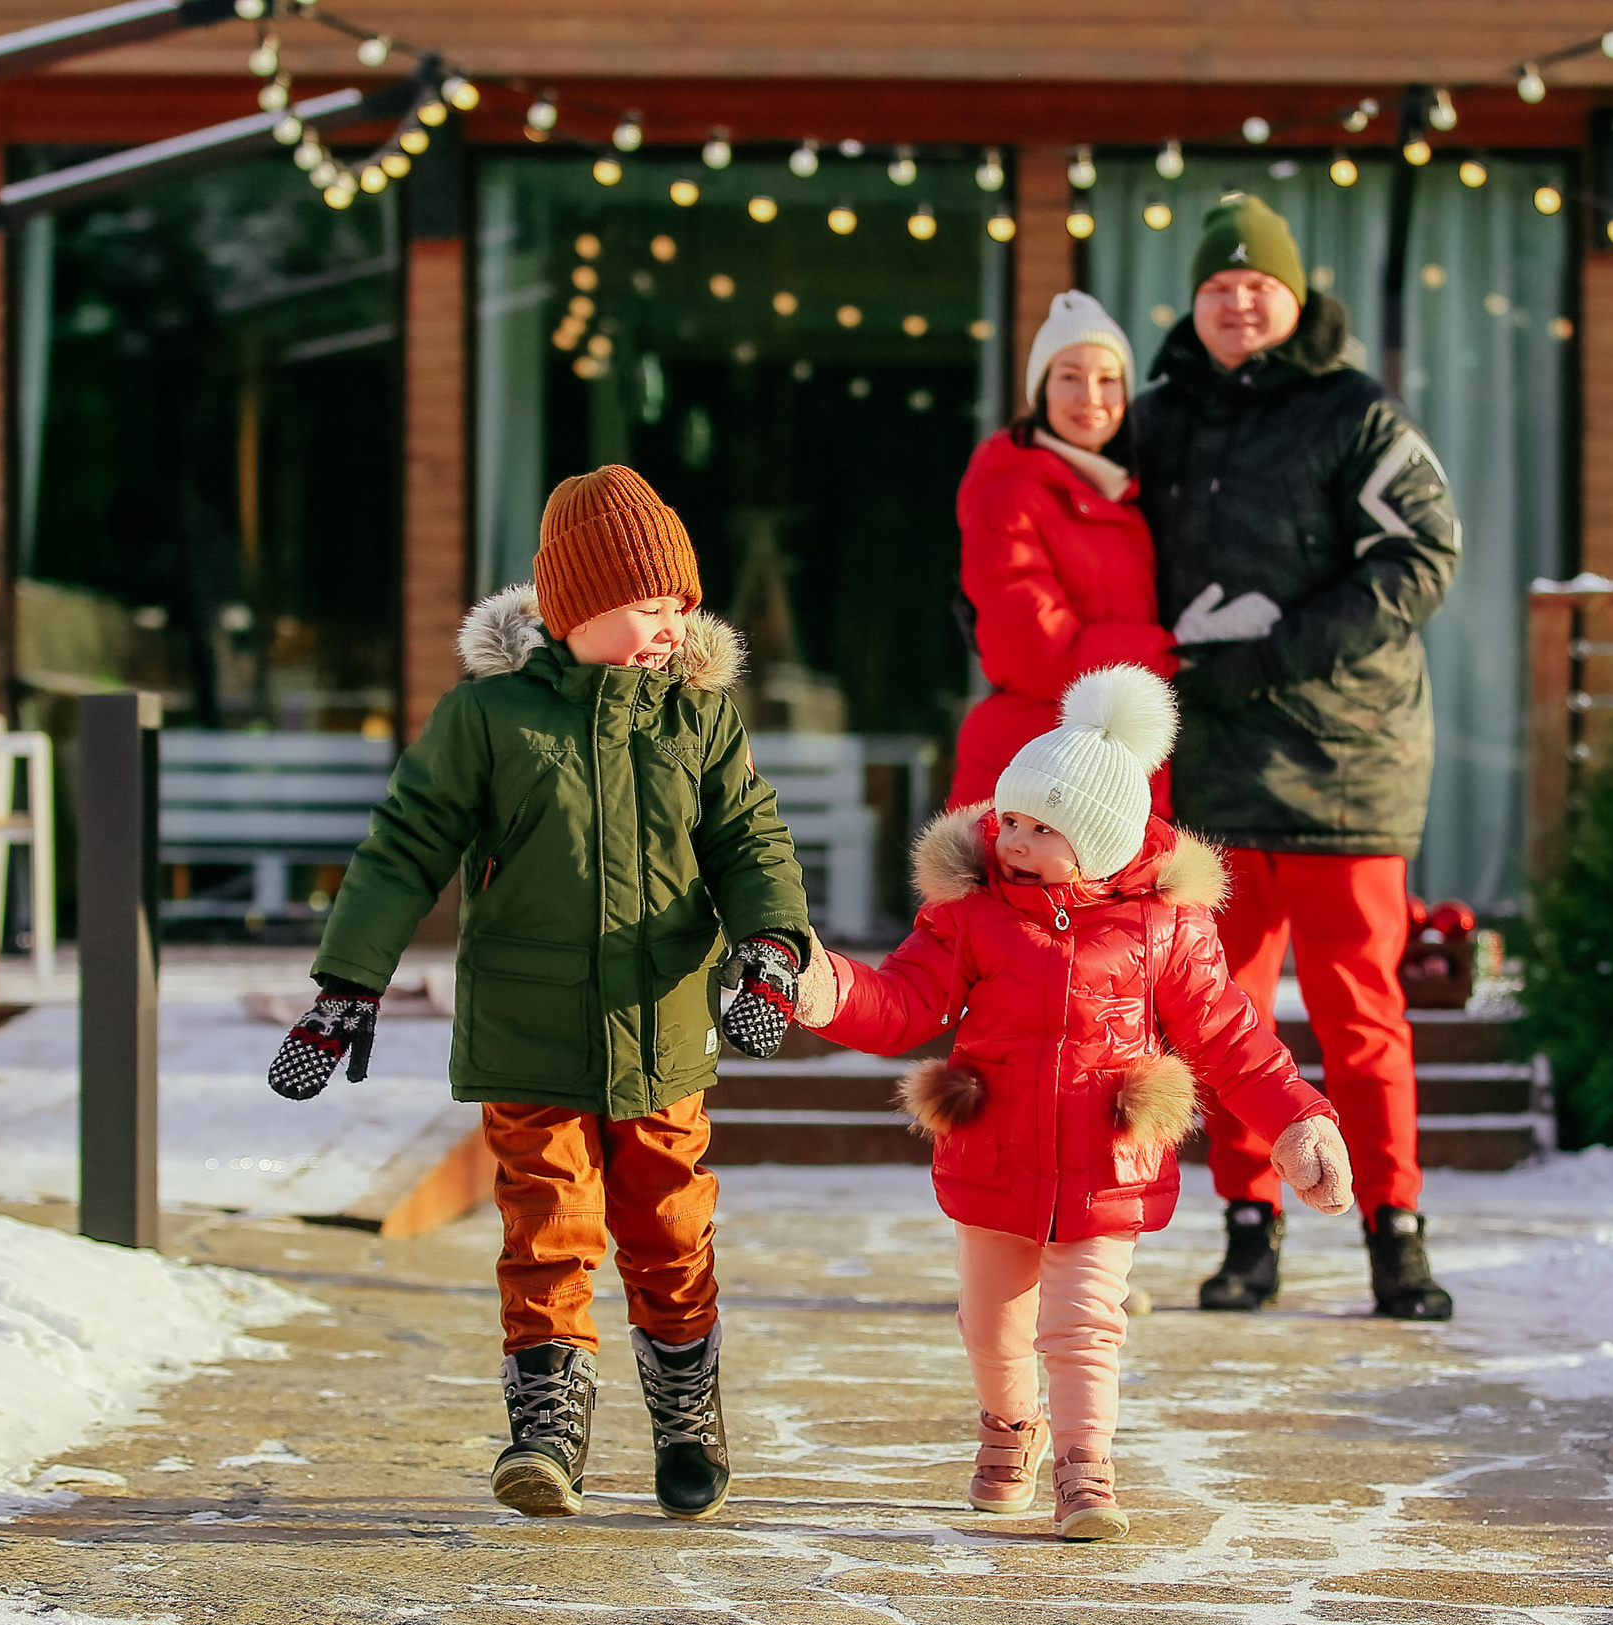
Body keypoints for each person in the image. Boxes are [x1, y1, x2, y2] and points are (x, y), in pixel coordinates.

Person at [266, 465, 814, 1521]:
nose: (672, 625)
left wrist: (771, 953)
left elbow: (750, 838)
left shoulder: (696, 721)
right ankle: (547, 1432)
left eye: (679, 605)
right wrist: (346, 989)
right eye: (652, 605)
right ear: (582, 608)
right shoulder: (488, 719)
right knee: (549, 1226)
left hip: (661, 1019)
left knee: (667, 1226)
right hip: (528, 1028)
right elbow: (402, 848)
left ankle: (687, 1416)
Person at [786, 665, 1353, 1539]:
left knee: (1086, 1323)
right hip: (995, 1151)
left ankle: (1087, 1467)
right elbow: (903, 1001)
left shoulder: (1161, 923)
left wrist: (1296, 1117)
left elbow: (1227, 1032)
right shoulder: (974, 912)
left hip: (1107, 1160)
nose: (1011, 836)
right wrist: (823, 986)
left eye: (1039, 826)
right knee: (991, 1320)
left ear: (1101, 840)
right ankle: (1009, 1427)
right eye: (1008, 817)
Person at [1132, 193, 1462, 1322]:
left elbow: (1426, 551)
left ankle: (1394, 1235)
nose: (1236, 304)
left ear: (1294, 297)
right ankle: (1248, 1229)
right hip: (1215, 772)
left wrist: (1271, 655)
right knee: (1221, 1017)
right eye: (1217, 288)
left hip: (1344, 769)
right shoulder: (1157, 420)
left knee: (1360, 1018)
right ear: (1193, 302)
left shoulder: (1354, 414)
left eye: (1256, 286)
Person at [948, 290, 1175, 815]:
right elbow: (1035, 652)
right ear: (1041, 389)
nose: (1090, 396)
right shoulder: (1009, 491)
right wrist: (1171, 650)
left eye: (1108, 379)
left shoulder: (1122, 495)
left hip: (1105, 770)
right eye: (1069, 376)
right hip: (1032, 772)